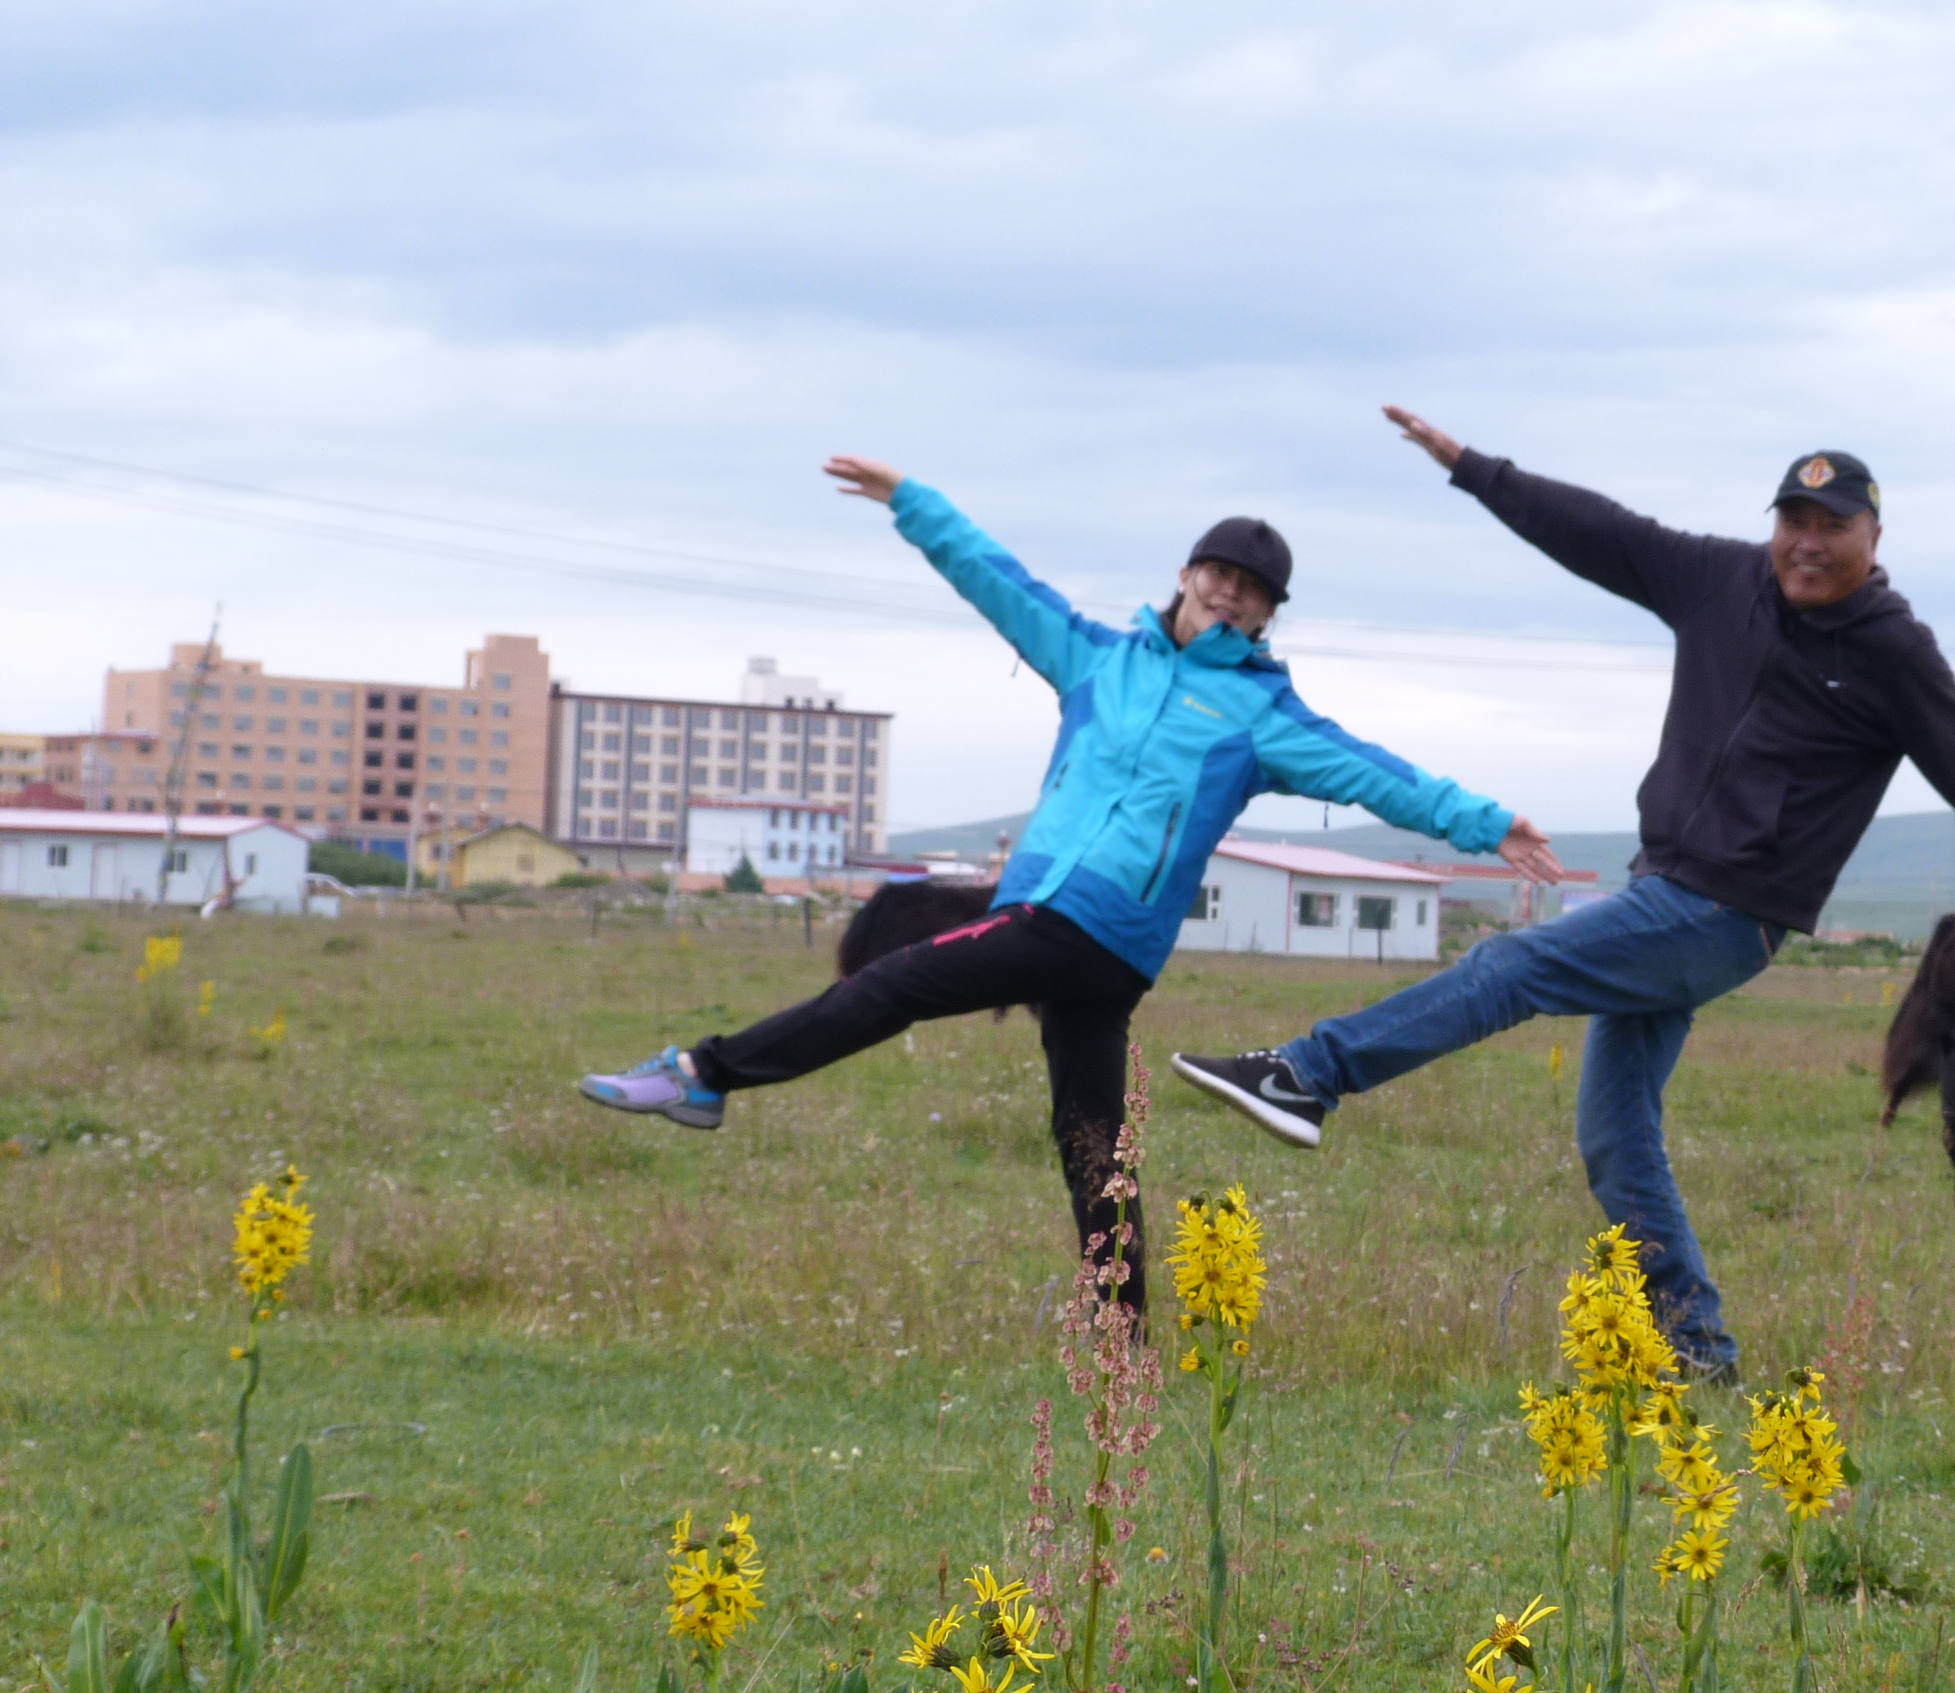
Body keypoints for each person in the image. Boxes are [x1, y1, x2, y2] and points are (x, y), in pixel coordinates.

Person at [1174, 409, 1955, 1373]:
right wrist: (1476, 471)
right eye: (1795, 520)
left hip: (1728, 914)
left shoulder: (1894, 651)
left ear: (1874, 538)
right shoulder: (1722, 581)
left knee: (1511, 964)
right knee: (1615, 1132)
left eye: (1832, 526)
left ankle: (1306, 1075)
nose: (1807, 544)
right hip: (1663, 884)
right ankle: (1699, 1345)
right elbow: (1604, 534)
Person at [579, 454, 1566, 1305]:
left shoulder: (1265, 717)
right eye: (1219, 571)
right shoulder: (1096, 659)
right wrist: (911, 502)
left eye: (1253, 588)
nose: (1231, 591)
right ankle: (1124, 1333)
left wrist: (1488, 825)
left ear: (1269, 614)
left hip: (1097, 930)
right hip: (1060, 926)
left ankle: (702, 1075)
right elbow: (998, 581)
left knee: (891, 985)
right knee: (1092, 1137)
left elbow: (1379, 775)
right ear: (1184, 574)